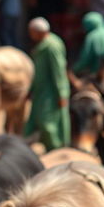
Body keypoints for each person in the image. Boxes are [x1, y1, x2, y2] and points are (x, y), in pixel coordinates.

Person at [24, 17, 70, 151]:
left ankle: (56, 149)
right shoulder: (42, 45)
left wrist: (61, 93)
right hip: (40, 91)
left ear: (38, 32)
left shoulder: (52, 47)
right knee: (34, 121)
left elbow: (58, 71)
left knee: (48, 123)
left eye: (31, 32)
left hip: (50, 92)